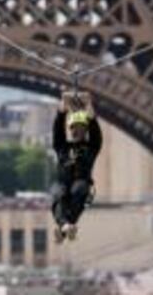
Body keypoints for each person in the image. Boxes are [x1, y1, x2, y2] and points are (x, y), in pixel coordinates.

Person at [51, 96, 102, 243]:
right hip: (63, 183)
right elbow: (57, 130)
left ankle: (64, 228)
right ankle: (66, 226)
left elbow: (95, 132)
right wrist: (62, 111)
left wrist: (89, 107)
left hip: (82, 183)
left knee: (78, 191)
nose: (75, 130)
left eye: (79, 127)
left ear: (85, 130)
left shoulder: (91, 147)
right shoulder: (62, 147)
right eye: (73, 127)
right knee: (58, 195)